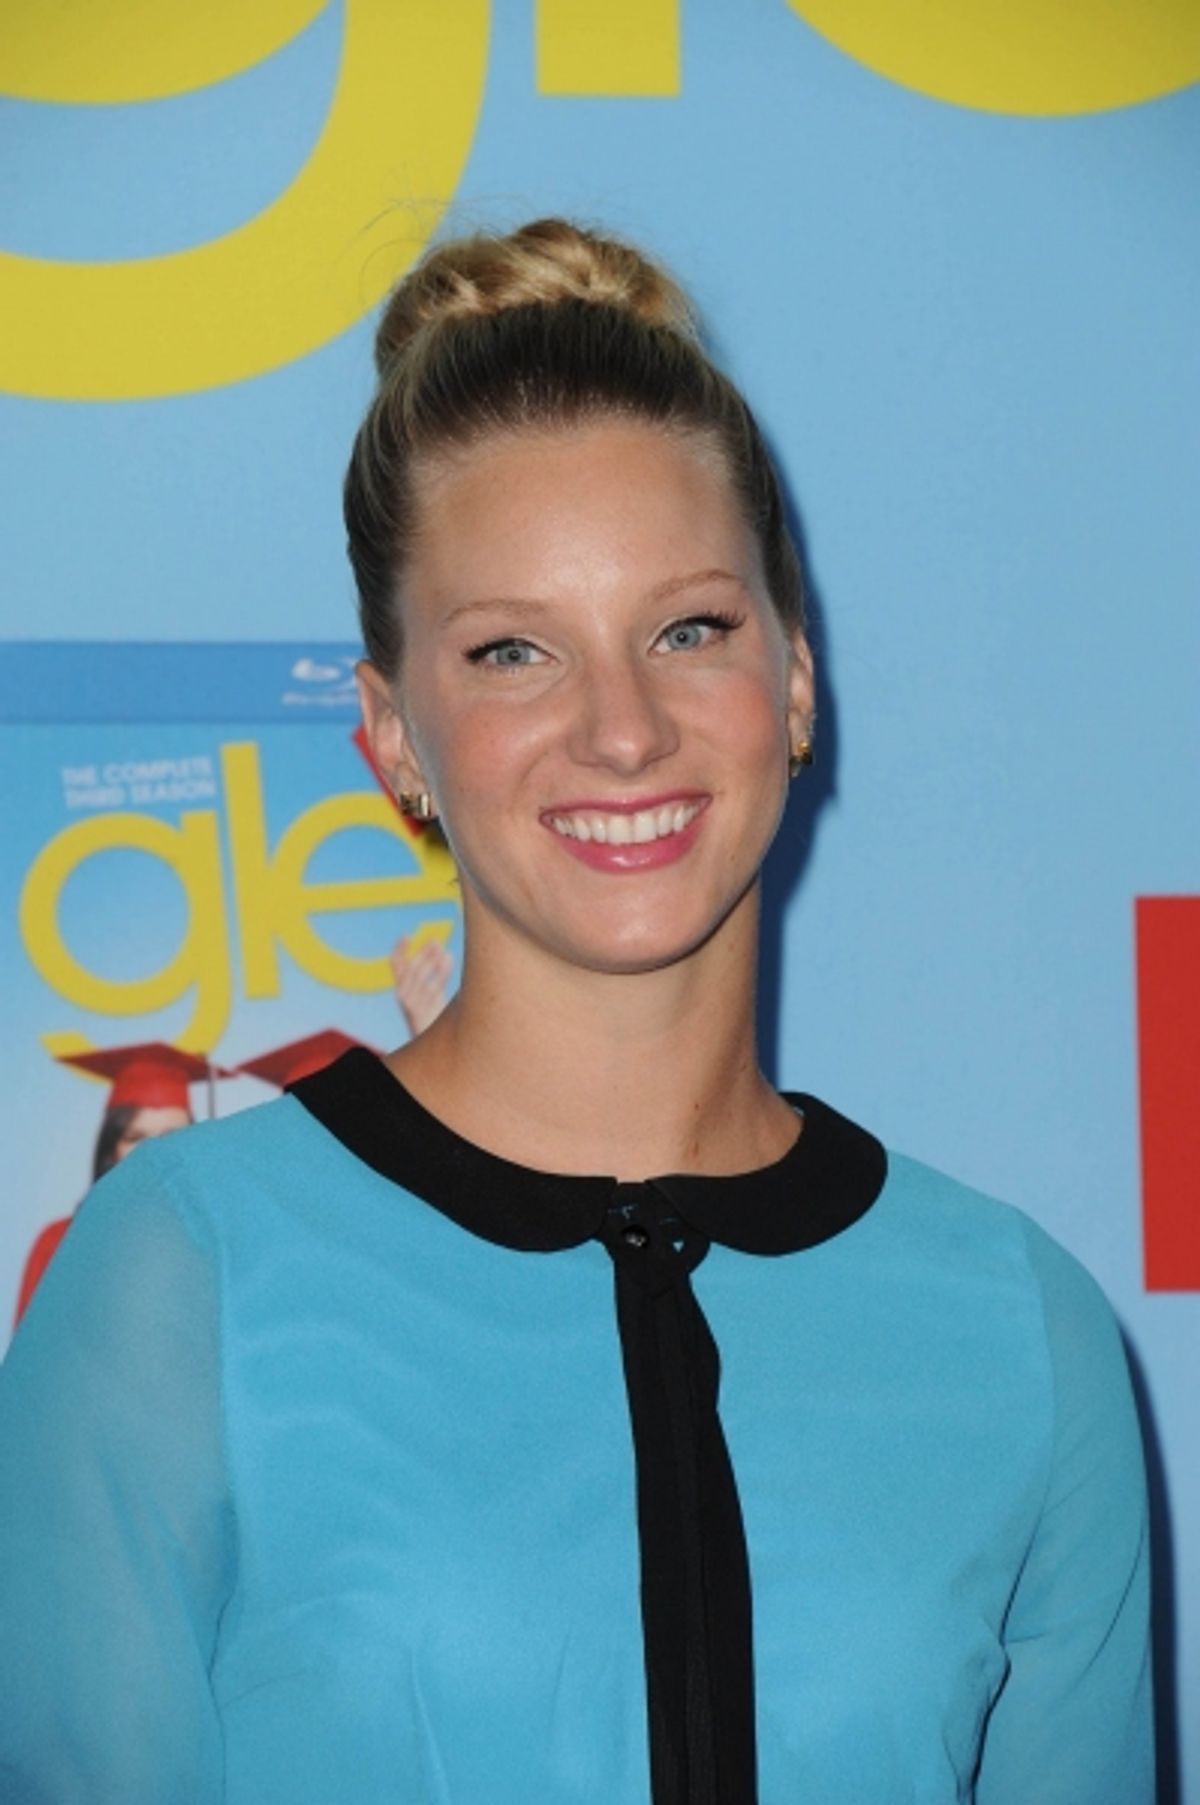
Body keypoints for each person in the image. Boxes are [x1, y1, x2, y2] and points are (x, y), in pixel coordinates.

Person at [0, 219, 1152, 1803]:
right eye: (512, 651)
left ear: (796, 679)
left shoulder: (1021, 1327)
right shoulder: (179, 1279)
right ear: (392, 736)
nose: (622, 728)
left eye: (690, 629)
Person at [11, 1041, 208, 1327]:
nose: (153, 1152)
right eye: (136, 1137)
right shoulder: (59, 1243)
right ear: (111, 1149)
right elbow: (31, 1351)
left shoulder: (213, 1241)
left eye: (171, 1136)